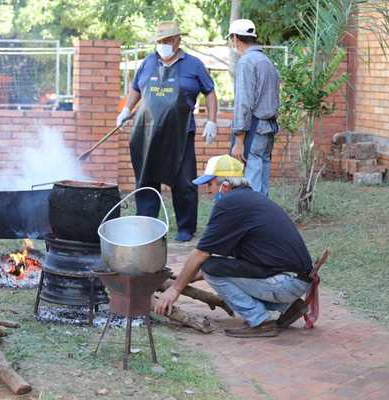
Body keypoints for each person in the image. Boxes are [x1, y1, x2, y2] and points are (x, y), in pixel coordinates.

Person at [154, 154, 312, 337]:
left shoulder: (229, 204)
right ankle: (290, 307)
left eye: (210, 184)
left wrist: (175, 289)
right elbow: (227, 260)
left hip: (286, 283)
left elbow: (201, 254)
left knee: (210, 267)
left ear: (225, 185)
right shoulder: (246, 199)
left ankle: (260, 321)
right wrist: (186, 277)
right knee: (211, 267)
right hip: (294, 280)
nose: (207, 190)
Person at [116, 21, 218, 242]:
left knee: (184, 182)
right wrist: (126, 109)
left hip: (181, 134)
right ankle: (146, 225)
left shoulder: (194, 65)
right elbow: (135, 88)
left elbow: (210, 92)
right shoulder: (147, 63)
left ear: (177, 41)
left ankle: (185, 228)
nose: (162, 45)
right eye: (159, 41)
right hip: (148, 134)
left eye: (166, 41)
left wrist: (212, 121)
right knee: (146, 179)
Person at [228, 19, 280, 196]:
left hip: (254, 130)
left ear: (235, 38)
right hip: (268, 128)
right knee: (262, 184)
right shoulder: (266, 61)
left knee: (250, 186)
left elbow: (244, 102)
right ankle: (264, 221)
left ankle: (254, 222)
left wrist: (239, 140)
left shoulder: (246, 62)